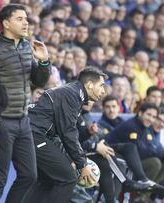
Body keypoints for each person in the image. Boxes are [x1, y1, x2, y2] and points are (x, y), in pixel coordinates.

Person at [0, 4, 51, 203]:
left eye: (26, 18)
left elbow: (39, 81)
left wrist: (43, 62)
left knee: (29, 175)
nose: (26, 23)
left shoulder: (25, 46)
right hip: (2, 122)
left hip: (23, 121)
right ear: (6, 23)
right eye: (20, 19)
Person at [27, 67, 107, 203]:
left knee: (47, 180)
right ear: (89, 84)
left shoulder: (73, 92)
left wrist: (72, 159)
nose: (103, 90)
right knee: (68, 178)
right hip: (34, 134)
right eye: (101, 85)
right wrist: (82, 163)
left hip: (33, 134)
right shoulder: (73, 94)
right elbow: (68, 132)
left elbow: (61, 132)